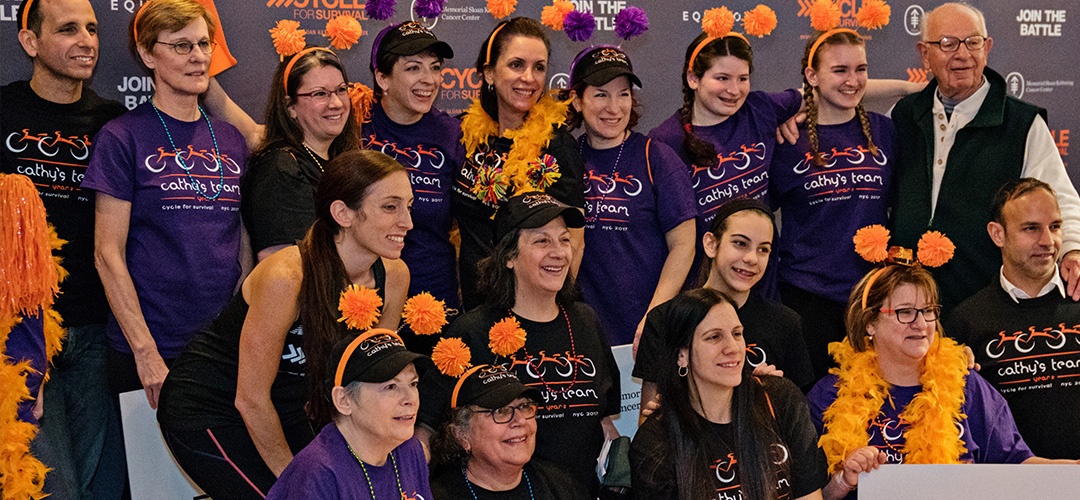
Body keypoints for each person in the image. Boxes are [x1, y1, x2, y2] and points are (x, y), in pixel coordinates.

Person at [157, 149, 412, 499]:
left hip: (289, 407)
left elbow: (372, 378)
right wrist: (300, 485)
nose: (407, 222)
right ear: (343, 213)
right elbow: (250, 398)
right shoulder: (287, 276)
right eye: (390, 207)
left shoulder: (395, 276)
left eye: (408, 206)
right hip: (210, 406)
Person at [82, 0, 250, 409]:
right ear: (146, 54)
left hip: (220, 346)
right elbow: (107, 253)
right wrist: (145, 351)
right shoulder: (122, 137)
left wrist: (238, 325)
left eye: (203, 44)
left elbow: (242, 237)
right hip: (151, 351)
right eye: (180, 46)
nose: (198, 57)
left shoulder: (231, 139)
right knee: (150, 474)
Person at [808, 262, 1078, 500]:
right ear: (870, 323)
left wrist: (1073, 472)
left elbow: (1017, 464)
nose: (921, 323)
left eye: (928, 311)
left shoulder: (966, 385)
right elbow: (805, 494)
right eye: (905, 312)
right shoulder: (829, 397)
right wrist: (843, 482)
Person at [2, 0, 127, 497]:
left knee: (100, 485)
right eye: (69, 29)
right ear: (31, 42)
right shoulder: (5, 109)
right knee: (53, 487)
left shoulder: (113, 123)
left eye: (93, 29)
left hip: (97, 328)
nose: (87, 41)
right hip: (23, 336)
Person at [421, 193, 619, 496]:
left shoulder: (585, 320)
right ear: (509, 256)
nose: (559, 253)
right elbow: (427, 432)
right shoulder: (470, 332)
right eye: (542, 242)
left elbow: (603, 419)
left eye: (564, 240)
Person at [889, 2, 1080, 312]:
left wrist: (1072, 250)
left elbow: (1060, 199)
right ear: (925, 53)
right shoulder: (904, 115)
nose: (962, 54)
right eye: (948, 44)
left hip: (986, 308)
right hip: (910, 308)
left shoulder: (1022, 123)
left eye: (973, 42)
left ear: (987, 47)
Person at [770, 29, 897, 379]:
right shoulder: (787, 140)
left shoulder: (886, 131)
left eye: (861, 69)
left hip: (873, 298)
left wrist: (916, 87)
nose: (852, 81)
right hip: (807, 298)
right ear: (812, 76)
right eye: (840, 70)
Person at [630, 288, 827, 500]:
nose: (733, 348)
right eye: (714, 337)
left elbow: (809, 495)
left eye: (737, 334)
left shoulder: (781, 399)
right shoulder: (655, 440)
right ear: (682, 355)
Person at [565, 45, 697, 347]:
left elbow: (684, 245)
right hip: (583, 329)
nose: (614, 107)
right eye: (601, 94)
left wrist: (656, 314)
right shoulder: (566, 158)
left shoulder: (656, 157)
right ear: (576, 99)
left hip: (643, 330)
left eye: (623, 94)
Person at [453, 17, 586, 311]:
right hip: (474, 308)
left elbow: (574, 240)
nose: (529, 77)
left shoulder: (558, 145)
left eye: (538, 67)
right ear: (489, 73)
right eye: (516, 65)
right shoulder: (462, 134)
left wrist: (551, 305)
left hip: (534, 307)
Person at [635, 200, 815, 413]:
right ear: (711, 244)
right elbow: (647, 423)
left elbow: (798, 421)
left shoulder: (784, 323)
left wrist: (770, 393)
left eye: (763, 249)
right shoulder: (664, 319)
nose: (751, 258)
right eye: (740, 243)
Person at [945, 178, 1080, 459]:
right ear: (998, 234)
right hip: (1006, 485)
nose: (1048, 241)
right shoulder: (965, 321)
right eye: (1031, 229)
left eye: (1055, 227)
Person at [364, 21, 464, 352]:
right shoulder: (354, 127)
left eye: (435, 68)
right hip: (363, 295)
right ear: (382, 78)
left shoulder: (453, 134)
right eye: (413, 68)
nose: (429, 79)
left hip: (435, 299)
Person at [266, 328, 433, 500]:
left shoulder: (410, 450)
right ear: (344, 400)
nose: (410, 398)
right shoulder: (317, 475)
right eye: (390, 386)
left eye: (413, 384)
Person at [242, 46, 361, 262]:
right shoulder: (281, 168)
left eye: (341, 90)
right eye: (320, 94)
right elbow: (282, 268)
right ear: (290, 107)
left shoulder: (341, 161)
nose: (336, 103)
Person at [429, 364, 590, 499]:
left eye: (525, 407)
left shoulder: (560, 486)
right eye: (501, 411)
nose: (520, 421)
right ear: (462, 435)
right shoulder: (436, 495)